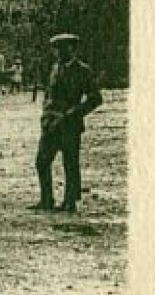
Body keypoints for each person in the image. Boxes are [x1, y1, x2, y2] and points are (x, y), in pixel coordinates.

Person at [32, 33, 103, 214]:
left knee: (70, 163)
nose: (60, 52)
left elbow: (95, 98)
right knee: (42, 161)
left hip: (70, 124)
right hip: (51, 122)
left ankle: (70, 201)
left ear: (73, 49)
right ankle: (46, 200)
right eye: (57, 48)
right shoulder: (55, 68)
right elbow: (49, 93)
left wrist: (75, 112)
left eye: (64, 48)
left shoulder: (83, 70)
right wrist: (46, 112)